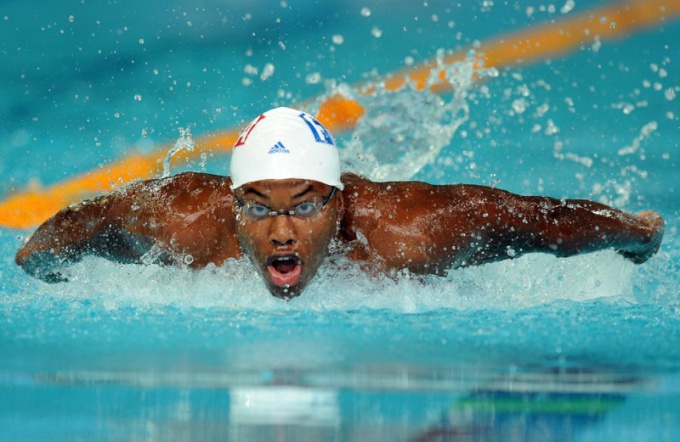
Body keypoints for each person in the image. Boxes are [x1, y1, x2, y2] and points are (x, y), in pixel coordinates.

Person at [15, 107, 665, 298]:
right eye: (260, 208)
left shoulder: (407, 232)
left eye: (304, 205)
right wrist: (36, 262)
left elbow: (540, 223)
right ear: (233, 205)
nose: (281, 231)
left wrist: (636, 233)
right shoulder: (187, 221)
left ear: (337, 201)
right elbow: (87, 222)